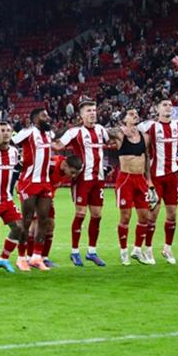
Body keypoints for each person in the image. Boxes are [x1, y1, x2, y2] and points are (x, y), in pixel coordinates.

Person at [53, 100, 110, 267]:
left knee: (97, 215)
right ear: (82, 115)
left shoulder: (101, 130)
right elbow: (58, 145)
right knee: (80, 214)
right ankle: (75, 252)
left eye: (94, 110)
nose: (92, 113)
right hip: (82, 179)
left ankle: (92, 252)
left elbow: (111, 139)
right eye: (88, 111)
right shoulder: (75, 132)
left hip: (98, 180)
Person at [137, 98, 178, 264]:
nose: (168, 107)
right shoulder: (149, 126)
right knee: (153, 214)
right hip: (156, 177)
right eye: (164, 105)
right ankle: (148, 249)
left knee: (172, 214)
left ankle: (167, 248)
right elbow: (131, 128)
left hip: (172, 177)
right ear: (157, 109)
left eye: (170, 105)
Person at [107, 109, 158, 265]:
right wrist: (121, 129)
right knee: (126, 217)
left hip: (140, 179)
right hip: (126, 179)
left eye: (136, 113)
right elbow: (105, 131)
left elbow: (147, 158)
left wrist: (149, 181)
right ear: (124, 119)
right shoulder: (120, 135)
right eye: (131, 114)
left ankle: (137, 250)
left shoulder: (145, 137)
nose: (135, 115)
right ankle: (123, 251)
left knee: (145, 217)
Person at [11, 108, 56, 270]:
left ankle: (36, 257)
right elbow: (11, 142)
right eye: (44, 115)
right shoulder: (28, 132)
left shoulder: (48, 134)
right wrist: (17, 161)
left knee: (44, 219)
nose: (48, 117)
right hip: (29, 182)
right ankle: (21, 258)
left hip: (45, 182)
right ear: (35, 119)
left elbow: (57, 137)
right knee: (27, 220)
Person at [0, 119, 29, 273]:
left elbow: (15, 172)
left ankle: (3, 259)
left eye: (8, 130)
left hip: (7, 198)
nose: (6, 133)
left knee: (19, 227)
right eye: (2, 130)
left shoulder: (14, 152)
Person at [26, 154, 84, 266]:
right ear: (65, 165)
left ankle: (43, 258)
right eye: (72, 172)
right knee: (36, 225)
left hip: (47, 197)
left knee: (50, 225)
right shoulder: (51, 165)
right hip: (35, 193)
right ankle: (30, 258)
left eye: (75, 173)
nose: (73, 176)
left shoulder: (68, 168)